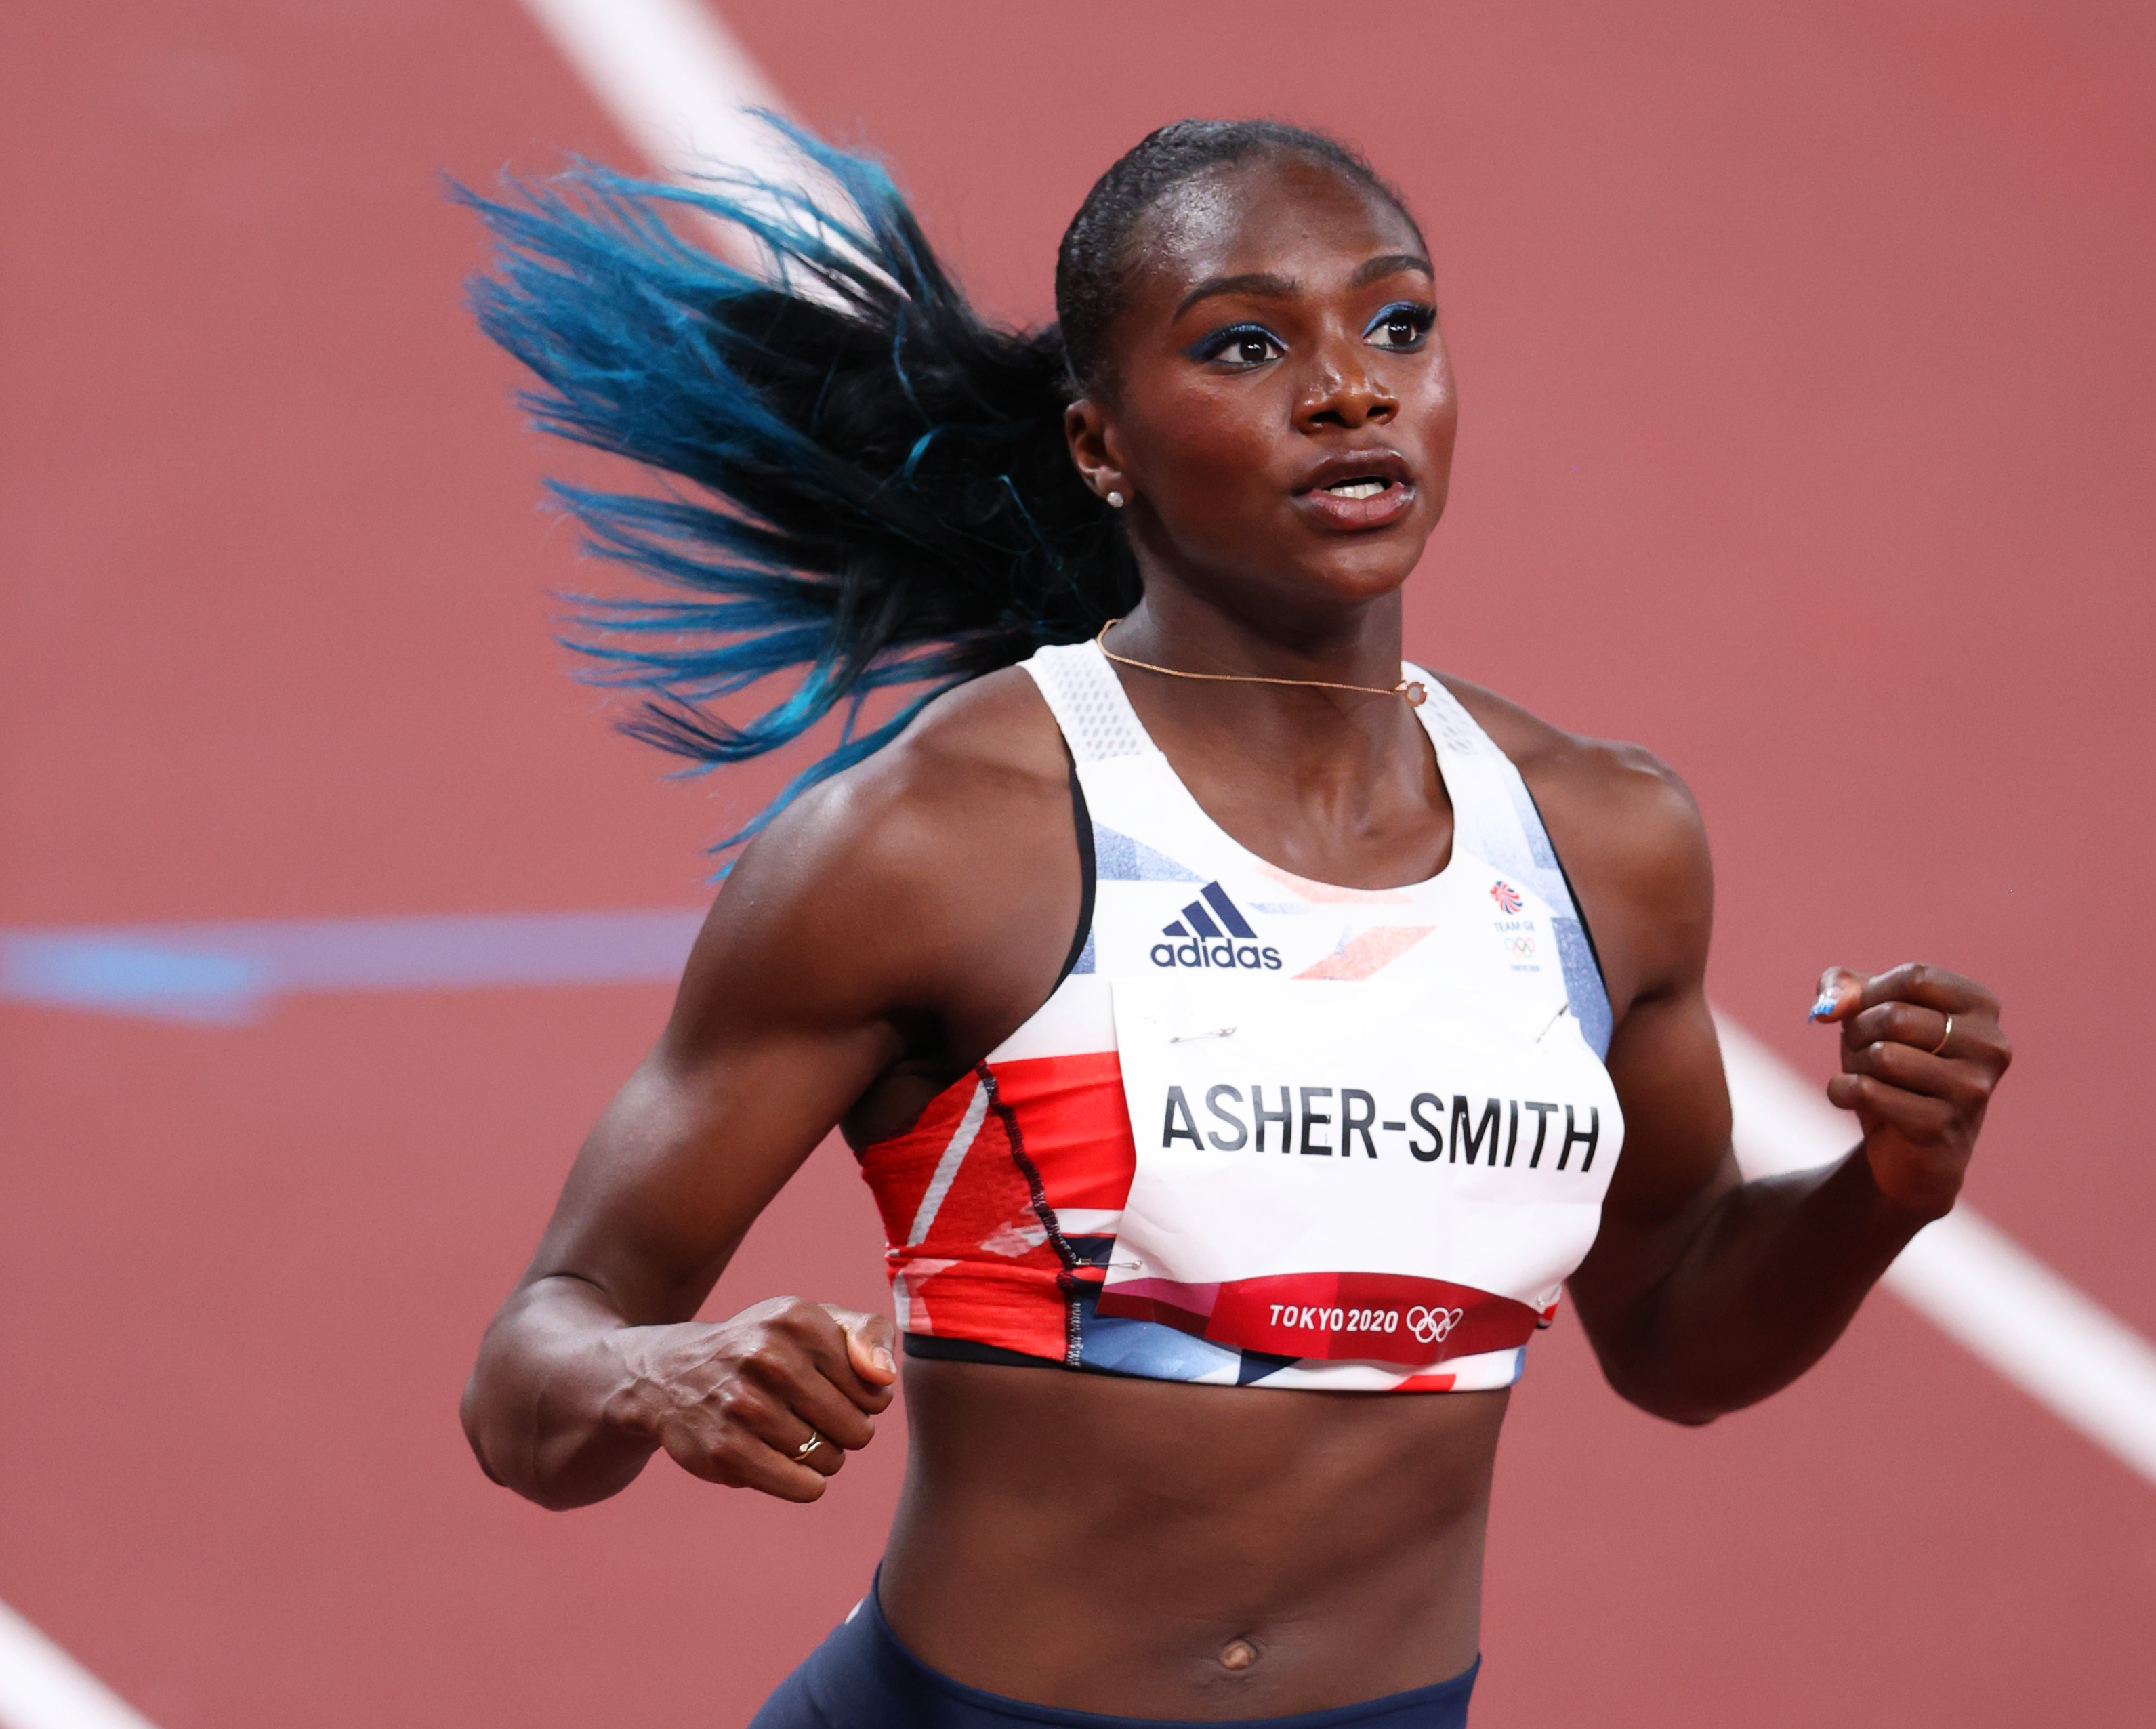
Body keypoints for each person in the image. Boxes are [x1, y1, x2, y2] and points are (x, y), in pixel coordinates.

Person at [457, 119, 2013, 1728]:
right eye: (1250, 344)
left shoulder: (1605, 842)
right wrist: (657, 1371)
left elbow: (1683, 1336)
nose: (1354, 388)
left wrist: (1886, 1186)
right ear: (1099, 443)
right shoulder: (935, 841)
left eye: (1398, 323)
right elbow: (529, 1382)